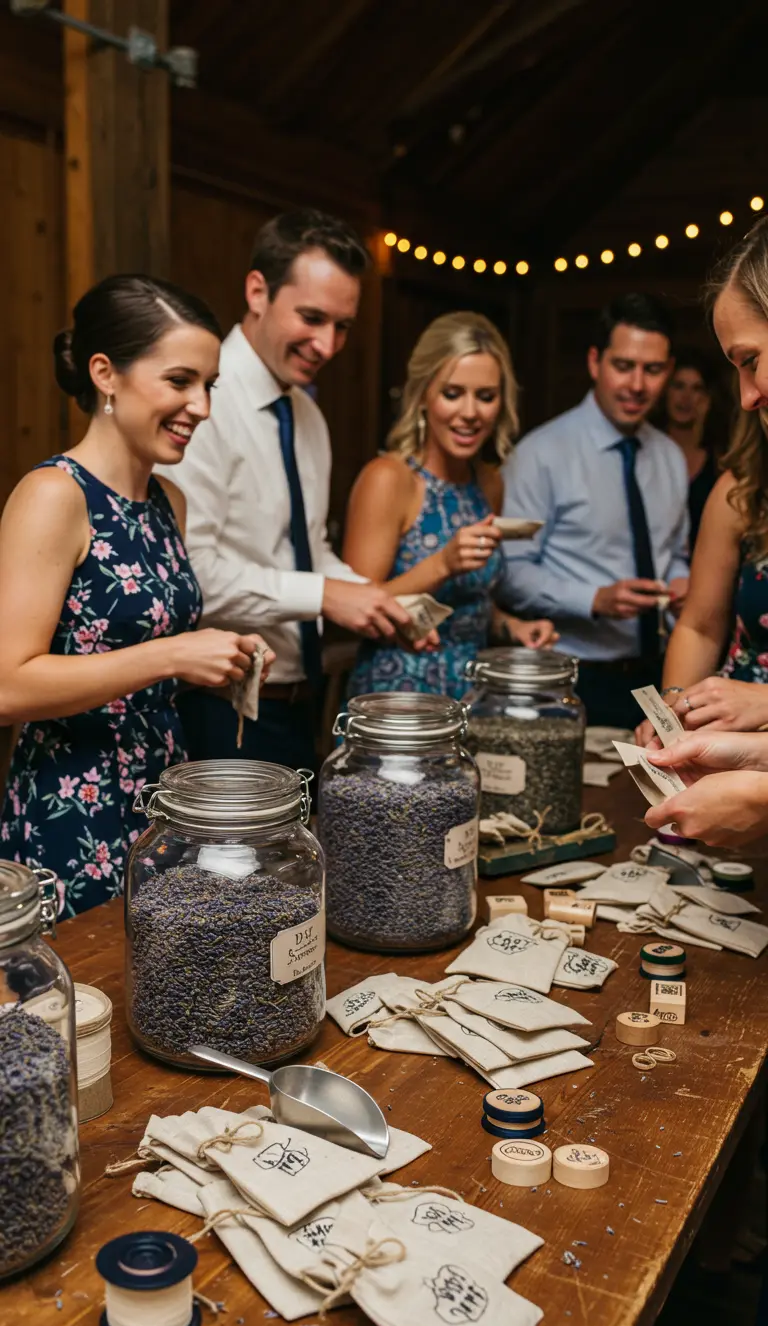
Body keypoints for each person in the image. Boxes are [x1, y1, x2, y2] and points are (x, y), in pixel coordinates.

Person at [0, 275, 274, 917]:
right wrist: (174, 654)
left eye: (208, 386)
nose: (201, 407)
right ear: (106, 374)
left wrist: (221, 661)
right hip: (74, 810)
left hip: (165, 805)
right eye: (180, 381)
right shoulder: (54, 495)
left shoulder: (166, 501)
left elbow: (138, 658)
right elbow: (8, 686)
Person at [162, 208, 417, 774]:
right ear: (258, 291)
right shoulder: (200, 405)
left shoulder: (306, 412)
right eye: (311, 318)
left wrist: (373, 601)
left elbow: (306, 546)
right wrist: (326, 595)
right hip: (219, 706)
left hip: (301, 699)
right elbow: (193, 575)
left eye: (342, 326)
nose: (326, 344)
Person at [341, 311, 557, 699]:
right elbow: (354, 613)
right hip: (398, 697)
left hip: (472, 694)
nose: (470, 413)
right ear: (424, 395)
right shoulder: (389, 479)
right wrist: (441, 565)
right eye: (453, 393)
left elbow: (470, 600)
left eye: (486, 396)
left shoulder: (488, 483)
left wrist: (511, 626)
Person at [498, 293, 690, 729]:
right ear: (594, 363)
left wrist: (682, 582)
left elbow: (675, 550)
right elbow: (512, 574)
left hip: (660, 673)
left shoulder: (670, 457)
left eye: (653, 369)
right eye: (623, 366)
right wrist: (595, 599)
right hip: (571, 676)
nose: (637, 385)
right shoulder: (541, 454)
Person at [637, 217, 768, 739]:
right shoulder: (746, 488)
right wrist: (672, 709)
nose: (745, 396)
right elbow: (699, 624)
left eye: (750, 360)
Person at [658, 346, 721, 549]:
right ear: (665, 391)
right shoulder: (646, 452)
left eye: (696, 389)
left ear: (707, 398)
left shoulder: (720, 460)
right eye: (678, 386)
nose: (686, 397)